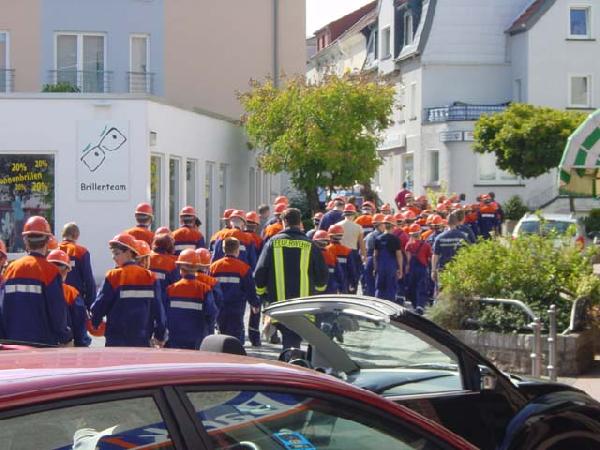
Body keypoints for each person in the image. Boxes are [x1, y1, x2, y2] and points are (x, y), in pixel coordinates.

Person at [254, 208, 328, 349]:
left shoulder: (273, 243)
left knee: (289, 341)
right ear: (300, 223)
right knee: (295, 340)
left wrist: (262, 293)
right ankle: (294, 359)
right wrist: (317, 291)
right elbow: (322, 275)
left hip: (279, 306)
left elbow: (260, 271)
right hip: (303, 307)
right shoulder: (310, 245)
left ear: (284, 222)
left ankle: (291, 359)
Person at [0, 216, 72, 345]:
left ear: (25, 241)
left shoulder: (11, 269)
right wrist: (65, 336)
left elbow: (2, 307)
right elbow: (57, 313)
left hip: (12, 343)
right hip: (42, 344)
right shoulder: (50, 271)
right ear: (47, 240)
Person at [91, 233, 166, 347]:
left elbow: (100, 306)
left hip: (116, 339)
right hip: (142, 339)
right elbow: (159, 311)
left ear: (129, 253)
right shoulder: (150, 277)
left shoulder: (113, 276)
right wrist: (160, 335)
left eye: (117, 253)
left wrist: (95, 322)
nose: (113, 257)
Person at [210, 237, 259, 345]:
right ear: (237, 250)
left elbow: (209, 287)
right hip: (236, 307)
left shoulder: (213, 267)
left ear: (223, 249)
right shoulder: (244, 268)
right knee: (235, 336)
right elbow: (250, 288)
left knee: (221, 333)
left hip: (219, 307)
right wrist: (255, 304)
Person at [166, 249, 217, 349]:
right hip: (197, 339)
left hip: (175, 338)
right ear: (197, 267)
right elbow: (211, 313)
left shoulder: (171, 289)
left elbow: (165, 314)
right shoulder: (204, 289)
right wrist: (209, 333)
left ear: (180, 267)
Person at [47, 249, 91, 346]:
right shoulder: (71, 293)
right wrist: (82, 343)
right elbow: (79, 323)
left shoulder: (40, 289)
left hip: (39, 342)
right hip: (63, 343)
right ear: (67, 270)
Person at [59, 222, 96, 308]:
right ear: (77, 236)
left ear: (63, 234)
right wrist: (90, 304)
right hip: (76, 301)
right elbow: (88, 280)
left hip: (57, 298)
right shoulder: (81, 252)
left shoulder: (53, 251)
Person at [432, 211, 469, 290]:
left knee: (441, 290)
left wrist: (433, 270)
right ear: (456, 222)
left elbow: (435, 255)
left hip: (443, 269)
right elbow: (467, 252)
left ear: (446, 222)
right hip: (458, 268)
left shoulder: (439, 237)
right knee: (457, 290)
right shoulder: (462, 236)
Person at [373, 215, 403, 302]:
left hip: (381, 266)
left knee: (379, 288)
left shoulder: (378, 239)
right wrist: (400, 269)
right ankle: (389, 306)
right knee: (391, 288)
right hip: (391, 267)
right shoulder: (396, 239)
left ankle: (377, 306)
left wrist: (375, 268)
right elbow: (399, 256)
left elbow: (375, 255)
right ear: (393, 226)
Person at [404, 224, 433, 315]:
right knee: (422, 287)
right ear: (420, 233)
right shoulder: (426, 245)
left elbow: (408, 259)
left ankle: (415, 305)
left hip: (412, 268)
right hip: (422, 268)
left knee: (412, 287)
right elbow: (430, 258)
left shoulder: (409, 245)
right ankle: (420, 306)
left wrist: (407, 269)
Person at [149, 231, 180, 309]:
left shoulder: (146, 258)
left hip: (148, 300)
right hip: (164, 301)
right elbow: (176, 284)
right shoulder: (173, 263)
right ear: (170, 246)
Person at [196, 248, 222, 338]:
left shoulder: (183, 280)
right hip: (207, 319)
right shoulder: (212, 282)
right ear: (207, 266)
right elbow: (218, 301)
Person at [327, 224, 358, 294]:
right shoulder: (347, 250)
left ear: (329, 236)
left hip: (329, 282)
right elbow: (351, 269)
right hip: (344, 282)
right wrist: (353, 283)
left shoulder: (326, 250)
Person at [362, 214, 385, 297]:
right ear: (380, 225)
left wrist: (364, 259)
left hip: (368, 259)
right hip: (376, 260)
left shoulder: (369, 235)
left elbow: (362, 248)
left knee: (370, 285)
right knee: (377, 285)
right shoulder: (380, 237)